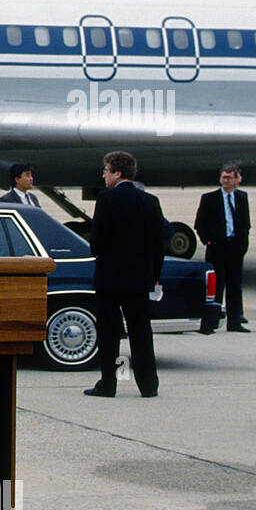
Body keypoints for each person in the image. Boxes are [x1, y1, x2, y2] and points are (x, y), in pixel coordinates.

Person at [85, 150, 166, 400]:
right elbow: (160, 242)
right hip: (140, 279)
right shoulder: (150, 201)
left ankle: (109, 384)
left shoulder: (106, 200)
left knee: (109, 334)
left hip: (110, 278)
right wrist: (154, 273)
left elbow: (97, 242)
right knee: (141, 332)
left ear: (117, 174)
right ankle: (148, 384)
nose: (103, 175)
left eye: (106, 171)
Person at [195, 164, 251, 333]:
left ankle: (234, 321)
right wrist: (208, 241)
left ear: (237, 180)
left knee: (235, 285)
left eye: (229, 178)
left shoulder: (241, 197)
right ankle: (211, 322)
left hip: (235, 246)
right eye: (223, 177)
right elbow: (199, 223)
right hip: (217, 246)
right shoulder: (209, 198)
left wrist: (243, 244)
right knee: (216, 286)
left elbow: (245, 223)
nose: (225, 181)